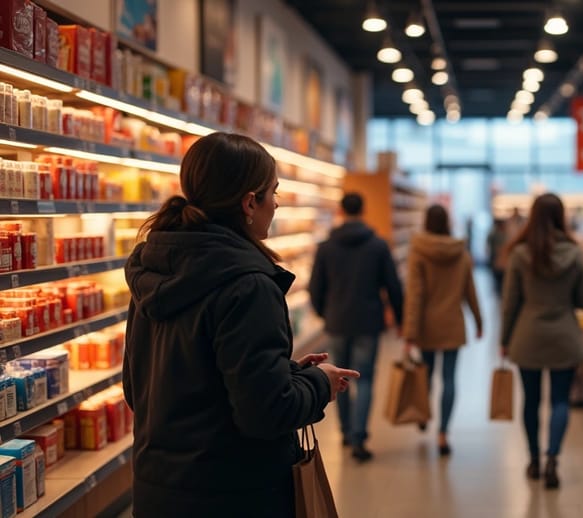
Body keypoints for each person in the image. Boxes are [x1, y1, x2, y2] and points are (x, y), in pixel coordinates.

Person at [123, 132, 359, 517]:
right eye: (274, 193)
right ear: (250, 202)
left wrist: (286, 375)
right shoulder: (248, 285)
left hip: (157, 492)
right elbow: (266, 414)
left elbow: (142, 389)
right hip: (232, 495)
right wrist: (320, 383)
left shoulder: (152, 268)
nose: (277, 204)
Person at [500, 193, 583, 490]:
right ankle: (553, 457)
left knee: (531, 401)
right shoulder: (574, 253)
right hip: (564, 335)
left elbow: (511, 301)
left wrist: (504, 339)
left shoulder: (520, 254)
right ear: (561, 217)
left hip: (527, 336)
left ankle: (534, 460)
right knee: (560, 401)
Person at [309, 192, 404, 462]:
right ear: (363, 210)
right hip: (368, 321)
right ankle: (360, 437)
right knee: (366, 379)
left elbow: (316, 287)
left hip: (337, 321)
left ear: (341, 211)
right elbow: (393, 286)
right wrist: (399, 319)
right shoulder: (377, 245)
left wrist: (324, 313)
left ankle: (346, 432)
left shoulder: (326, 247)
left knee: (338, 379)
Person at [403, 205, 483, 456]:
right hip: (452, 324)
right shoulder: (461, 253)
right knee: (449, 379)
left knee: (425, 375)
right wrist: (479, 321)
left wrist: (410, 333)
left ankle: (424, 413)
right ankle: (443, 434)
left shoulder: (419, 252)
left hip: (427, 325)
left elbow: (415, 295)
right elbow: (470, 291)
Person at [487, 218, 508, 295]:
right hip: (497, 257)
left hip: (498, 258)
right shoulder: (496, 234)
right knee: (498, 276)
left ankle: (499, 289)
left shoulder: (496, 233)